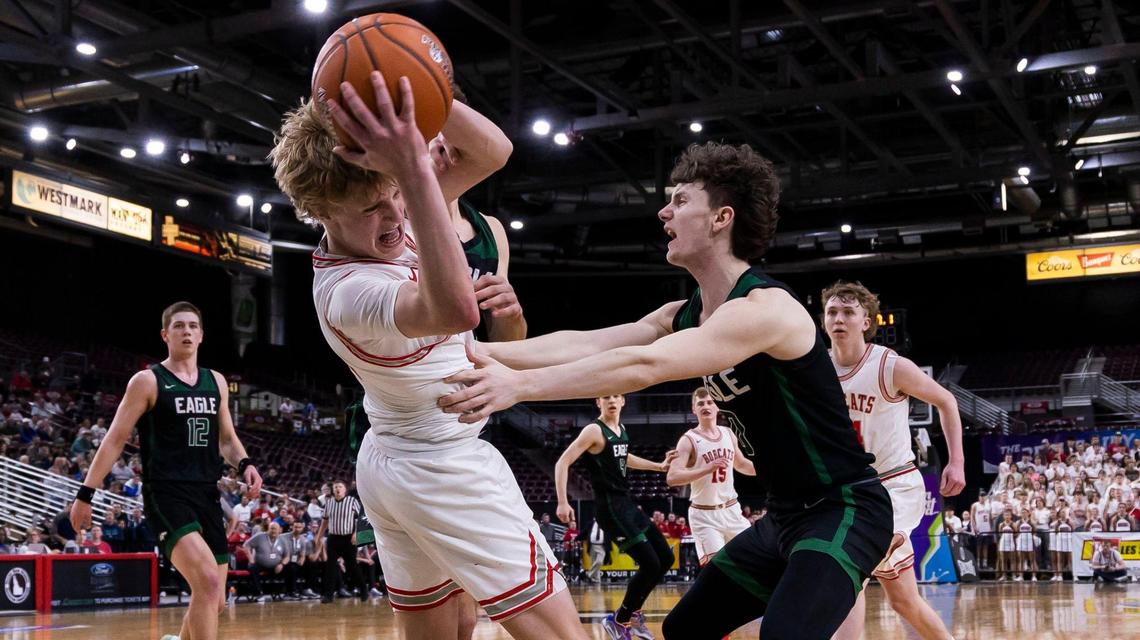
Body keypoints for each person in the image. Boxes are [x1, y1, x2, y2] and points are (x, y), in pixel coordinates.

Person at [439, 141, 895, 639]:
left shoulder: (765, 309)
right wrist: (468, 349)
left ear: (721, 218)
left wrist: (519, 386)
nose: (664, 211)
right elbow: (585, 344)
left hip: (844, 507)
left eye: (680, 200)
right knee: (684, 630)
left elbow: (645, 365)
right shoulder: (685, 313)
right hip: (784, 515)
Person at [270, 69, 585, 640]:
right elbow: (458, 310)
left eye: (396, 195)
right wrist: (413, 170)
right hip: (440, 467)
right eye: (375, 206)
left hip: (393, 456)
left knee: (448, 630)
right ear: (320, 210)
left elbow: (493, 152)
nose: (396, 217)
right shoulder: (348, 293)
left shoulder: (388, 214)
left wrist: (419, 88)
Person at [69, 302, 262, 640]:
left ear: (201, 335)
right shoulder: (147, 381)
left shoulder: (215, 381)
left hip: (206, 494)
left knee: (214, 600)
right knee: (207, 581)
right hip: (166, 494)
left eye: (192, 326)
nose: (186, 331)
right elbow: (114, 440)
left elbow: (227, 439)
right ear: (165, 335)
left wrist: (245, 463)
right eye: (178, 326)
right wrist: (85, 494)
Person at [822, 281, 965, 640]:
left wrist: (957, 462)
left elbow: (946, 401)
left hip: (893, 486)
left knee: (847, 565)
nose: (839, 319)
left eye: (848, 312)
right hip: (849, 492)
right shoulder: (815, 368)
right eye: (832, 312)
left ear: (866, 322)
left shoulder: (889, 365)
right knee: (904, 601)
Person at [553, 393, 674, 639]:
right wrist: (563, 502)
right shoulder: (593, 431)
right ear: (598, 402)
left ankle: (633, 613)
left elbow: (624, 457)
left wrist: (658, 466)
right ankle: (620, 620)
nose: (611, 400)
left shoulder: (621, 429)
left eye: (616, 396)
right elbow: (562, 463)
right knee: (650, 564)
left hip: (627, 504)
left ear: (623, 401)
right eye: (605, 396)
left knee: (666, 558)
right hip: (610, 508)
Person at [666, 388, 755, 567]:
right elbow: (673, 477)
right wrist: (706, 469)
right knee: (718, 569)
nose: (705, 406)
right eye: (700, 403)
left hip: (732, 510)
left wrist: (771, 469)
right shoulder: (688, 440)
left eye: (709, 402)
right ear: (694, 409)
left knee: (754, 560)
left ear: (717, 406)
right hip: (704, 515)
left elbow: (741, 464)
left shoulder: (728, 433)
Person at [314, 480, 369, 603]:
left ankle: (363, 589)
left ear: (345, 490)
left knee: (352, 566)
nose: (337, 489)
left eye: (340, 487)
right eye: (335, 487)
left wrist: (356, 533)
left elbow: (362, 518)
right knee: (330, 566)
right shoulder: (329, 503)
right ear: (333, 490)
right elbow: (324, 522)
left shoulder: (352, 501)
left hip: (348, 538)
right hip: (333, 538)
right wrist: (318, 536)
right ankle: (328, 595)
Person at [244, 521, 292, 602]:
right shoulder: (260, 536)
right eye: (271, 529)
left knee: (291, 567)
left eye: (275, 529)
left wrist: (282, 564)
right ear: (268, 529)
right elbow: (246, 545)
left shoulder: (283, 540)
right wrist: (250, 559)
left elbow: (287, 556)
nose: (273, 531)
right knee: (252, 567)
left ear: (279, 530)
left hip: (276, 566)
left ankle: (290, 593)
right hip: (260, 564)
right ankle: (259, 593)